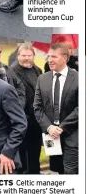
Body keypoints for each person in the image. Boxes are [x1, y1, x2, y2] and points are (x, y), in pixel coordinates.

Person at [33, 42, 79, 174]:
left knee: (70, 172)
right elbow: (37, 107)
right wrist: (49, 127)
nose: (49, 60)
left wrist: (62, 127)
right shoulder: (42, 79)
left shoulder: (79, 78)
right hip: (51, 136)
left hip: (72, 136)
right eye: (48, 56)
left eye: (54, 57)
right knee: (55, 171)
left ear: (65, 58)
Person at [8, 43, 44, 174]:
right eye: (23, 55)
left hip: (36, 120)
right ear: (18, 56)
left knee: (35, 154)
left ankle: (35, 176)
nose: (26, 58)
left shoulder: (37, 70)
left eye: (29, 55)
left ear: (34, 56)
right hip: (21, 120)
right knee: (22, 156)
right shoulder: (12, 72)